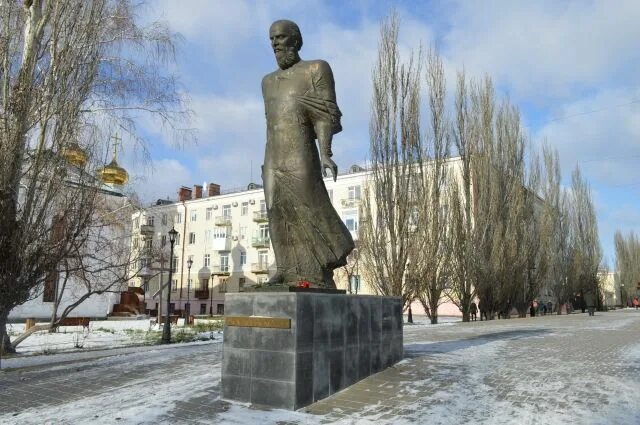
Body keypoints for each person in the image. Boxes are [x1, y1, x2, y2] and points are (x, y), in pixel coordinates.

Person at [261, 20, 354, 288]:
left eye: (280, 37)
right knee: (274, 208)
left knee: (310, 205)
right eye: (271, 39)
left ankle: (323, 263)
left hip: (300, 152)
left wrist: (325, 153)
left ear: (296, 40)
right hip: (272, 155)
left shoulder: (316, 69)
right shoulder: (267, 82)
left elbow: (325, 114)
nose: (275, 43)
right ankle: (286, 268)